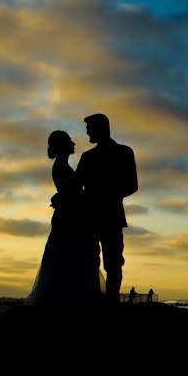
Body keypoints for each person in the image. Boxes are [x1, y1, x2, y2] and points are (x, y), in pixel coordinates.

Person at [26, 131, 102, 306]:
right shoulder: (61, 166)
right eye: (69, 142)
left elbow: (69, 192)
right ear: (63, 146)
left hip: (69, 215)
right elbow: (72, 194)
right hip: (69, 218)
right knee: (68, 256)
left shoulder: (62, 166)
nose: (74, 144)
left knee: (67, 257)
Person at [76, 114, 138, 305]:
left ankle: (111, 300)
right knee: (89, 259)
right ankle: (93, 297)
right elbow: (76, 186)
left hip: (111, 215)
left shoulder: (124, 152)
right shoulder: (87, 157)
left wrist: (107, 194)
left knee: (113, 261)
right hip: (89, 217)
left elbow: (132, 185)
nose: (87, 132)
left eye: (90, 128)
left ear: (101, 128)